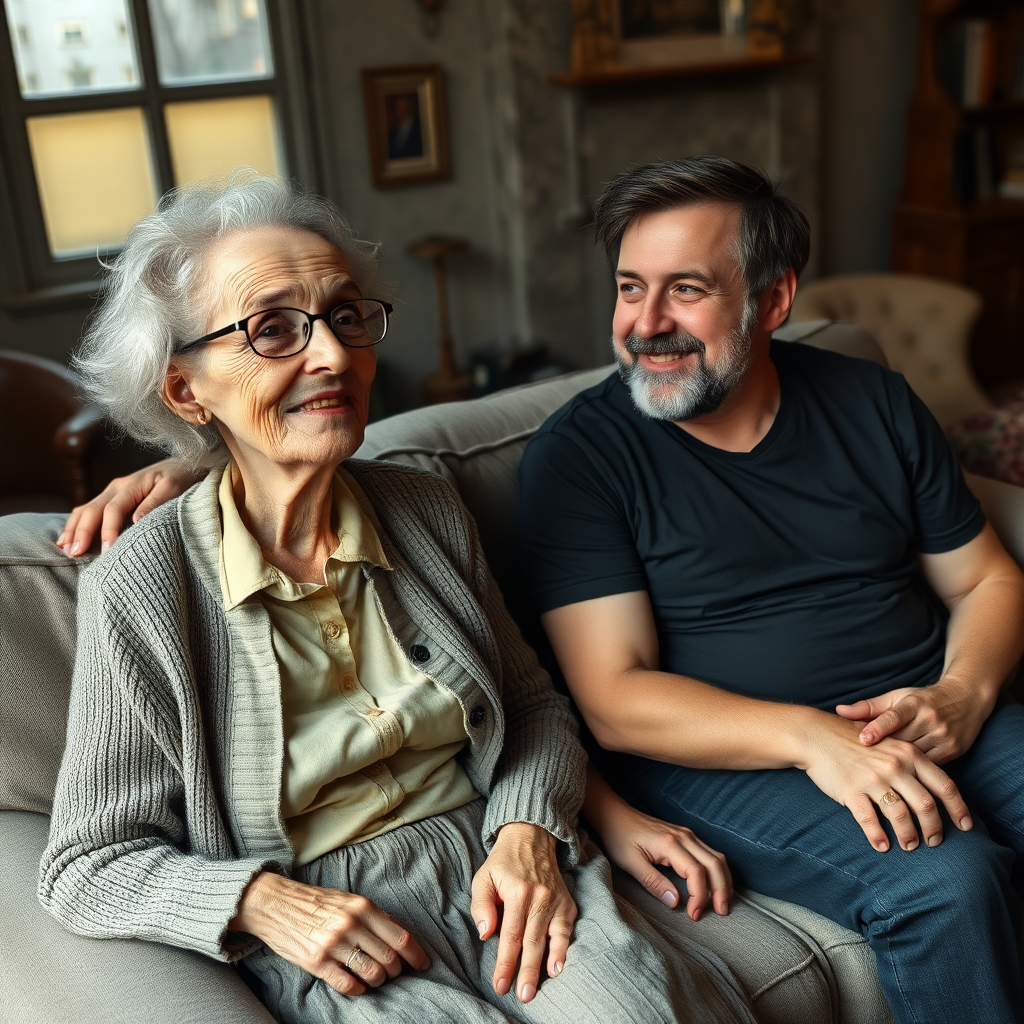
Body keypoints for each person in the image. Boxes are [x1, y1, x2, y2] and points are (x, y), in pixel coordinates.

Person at [42, 173, 754, 1024]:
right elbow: (85, 863)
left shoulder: (423, 506)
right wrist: (262, 903)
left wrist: (527, 830)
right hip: (331, 918)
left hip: (499, 859)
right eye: (273, 330)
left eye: (347, 316)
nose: (334, 355)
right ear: (187, 389)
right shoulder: (143, 584)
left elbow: (530, 707)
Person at [515, 157, 1024, 1024]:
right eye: (630, 288)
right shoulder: (580, 457)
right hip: (720, 755)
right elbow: (613, 697)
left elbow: (985, 577)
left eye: (685, 290)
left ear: (773, 299)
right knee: (949, 882)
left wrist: (962, 695)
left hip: (916, 708)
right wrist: (816, 740)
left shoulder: (872, 401)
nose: (646, 323)